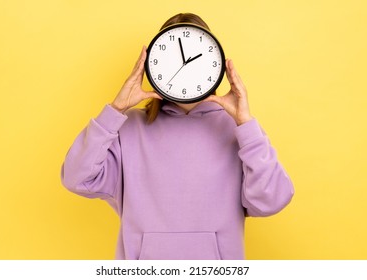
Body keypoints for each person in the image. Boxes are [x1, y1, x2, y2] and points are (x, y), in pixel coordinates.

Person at [61, 13, 294, 260]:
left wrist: (246, 123)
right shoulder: (128, 128)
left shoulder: (237, 131)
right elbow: (76, 177)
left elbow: (273, 200)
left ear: (213, 64)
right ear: (153, 66)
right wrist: (115, 109)